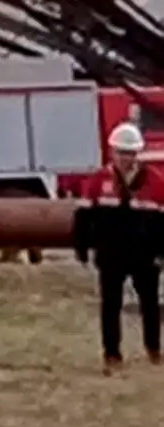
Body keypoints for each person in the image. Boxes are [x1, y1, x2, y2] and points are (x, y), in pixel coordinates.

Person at [75, 122, 164, 373]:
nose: (127, 158)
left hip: (145, 256)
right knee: (110, 304)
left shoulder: (156, 183)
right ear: (113, 152)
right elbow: (83, 217)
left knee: (149, 303)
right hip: (111, 254)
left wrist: (160, 254)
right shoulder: (98, 181)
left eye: (132, 153)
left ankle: (154, 349)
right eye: (123, 152)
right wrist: (82, 247)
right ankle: (112, 353)